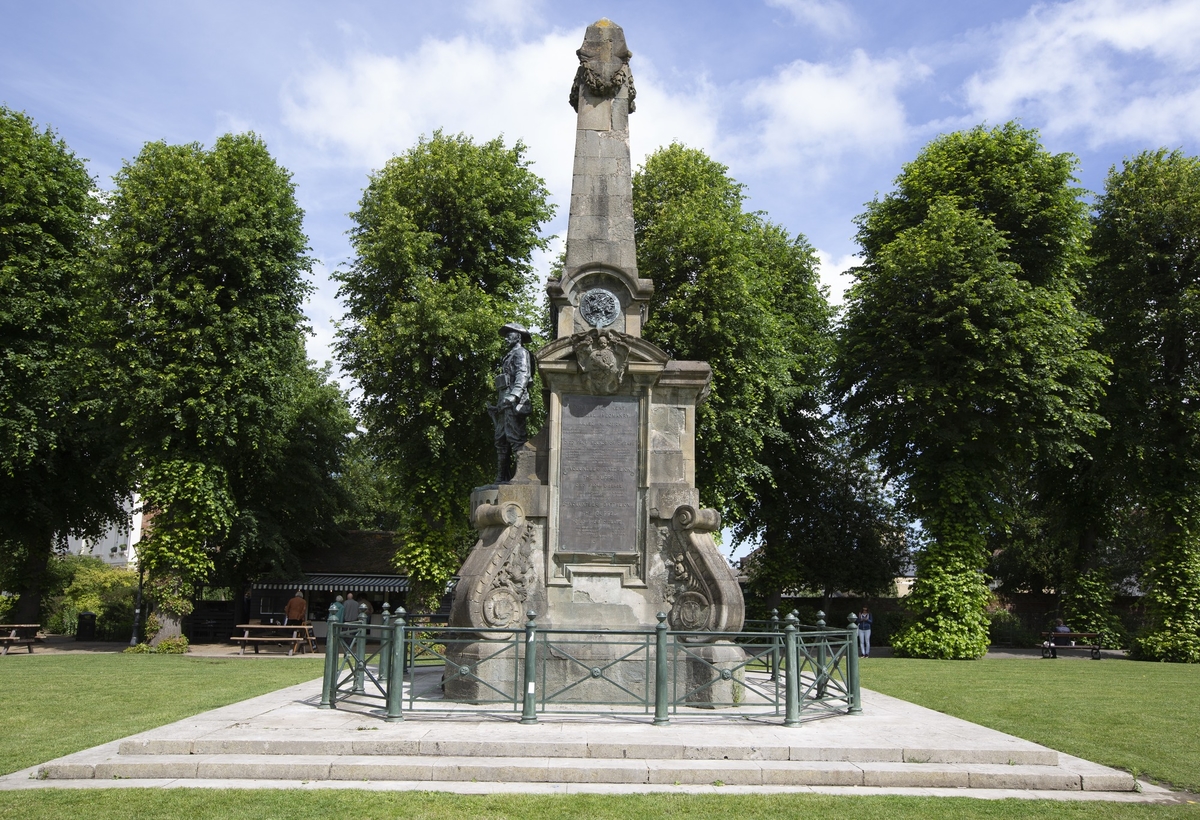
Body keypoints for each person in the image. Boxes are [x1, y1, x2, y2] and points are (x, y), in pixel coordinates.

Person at [489, 322, 533, 482]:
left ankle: (522, 476)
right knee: (500, 440)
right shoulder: (509, 355)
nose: (506, 338)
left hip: (514, 403)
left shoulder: (521, 352)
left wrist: (514, 395)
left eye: (510, 334)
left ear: (518, 336)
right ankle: (501, 477)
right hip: (504, 403)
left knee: (516, 439)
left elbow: (523, 375)